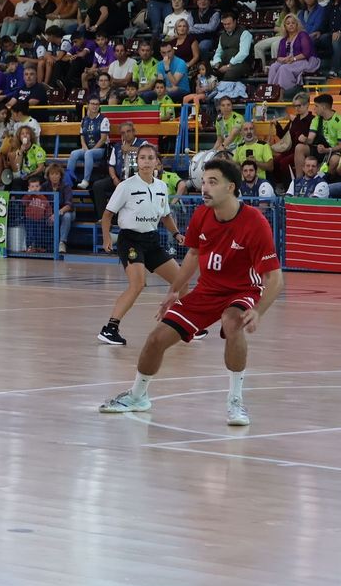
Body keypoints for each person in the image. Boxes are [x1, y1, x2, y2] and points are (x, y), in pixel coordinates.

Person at [99, 158, 283, 427]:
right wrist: (174, 291)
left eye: (213, 182)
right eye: (203, 181)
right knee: (155, 339)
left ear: (231, 187)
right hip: (207, 291)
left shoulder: (255, 222)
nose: (204, 188)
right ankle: (138, 396)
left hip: (243, 289)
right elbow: (194, 254)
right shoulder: (201, 215)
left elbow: (275, 278)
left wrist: (258, 311)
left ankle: (235, 401)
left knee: (233, 322)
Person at [96, 144, 187, 347]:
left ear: (157, 162)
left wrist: (176, 233)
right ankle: (110, 328)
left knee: (181, 280)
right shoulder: (126, 186)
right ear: (137, 162)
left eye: (150, 158)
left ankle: (185, 323)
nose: (146, 161)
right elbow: (107, 215)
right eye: (142, 158)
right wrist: (106, 238)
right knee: (137, 284)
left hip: (151, 241)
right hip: (130, 240)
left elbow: (166, 216)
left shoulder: (161, 187)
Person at [66, 97, 110, 189]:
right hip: (88, 149)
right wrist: (84, 147)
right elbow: (82, 136)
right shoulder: (84, 120)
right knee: (74, 154)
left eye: (97, 104)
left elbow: (103, 139)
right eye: (92, 104)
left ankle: (86, 180)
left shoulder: (103, 119)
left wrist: (91, 150)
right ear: (88, 105)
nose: (94, 106)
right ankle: (68, 180)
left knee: (89, 153)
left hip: (101, 150)